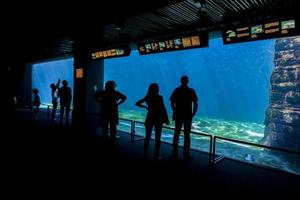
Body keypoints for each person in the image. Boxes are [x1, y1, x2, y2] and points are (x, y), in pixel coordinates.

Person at [136, 83, 169, 159]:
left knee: (147, 137)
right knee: (158, 138)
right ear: (157, 89)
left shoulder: (147, 97)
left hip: (149, 118)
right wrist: (166, 119)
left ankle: (145, 154)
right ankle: (156, 155)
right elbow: (163, 108)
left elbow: (137, 103)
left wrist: (145, 107)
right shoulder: (159, 97)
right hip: (158, 119)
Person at [170, 75, 198, 159]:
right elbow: (195, 103)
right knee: (187, 134)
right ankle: (186, 152)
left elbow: (172, 103)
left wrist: (175, 111)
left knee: (177, 132)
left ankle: (174, 149)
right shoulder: (191, 91)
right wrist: (193, 113)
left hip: (178, 114)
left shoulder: (176, 90)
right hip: (187, 115)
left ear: (180, 81)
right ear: (187, 81)